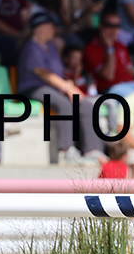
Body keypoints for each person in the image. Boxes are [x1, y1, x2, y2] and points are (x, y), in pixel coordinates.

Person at [16, 11, 105, 161]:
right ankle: (66, 149)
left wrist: (69, 84)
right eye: (51, 26)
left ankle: (93, 150)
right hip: (33, 88)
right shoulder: (30, 47)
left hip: (54, 88)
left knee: (86, 105)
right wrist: (66, 87)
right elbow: (42, 72)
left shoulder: (50, 47)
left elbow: (58, 72)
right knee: (64, 105)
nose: (54, 30)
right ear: (41, 27)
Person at [83, 12, 134, 97]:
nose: (114, 30)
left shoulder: (121, 46)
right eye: (110, 25)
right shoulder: (91, 49)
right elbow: (109, 76)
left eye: (117, 26)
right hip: (111, 90)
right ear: (101, 26)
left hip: (131, 86)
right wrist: (109, 48)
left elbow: (131, 71)